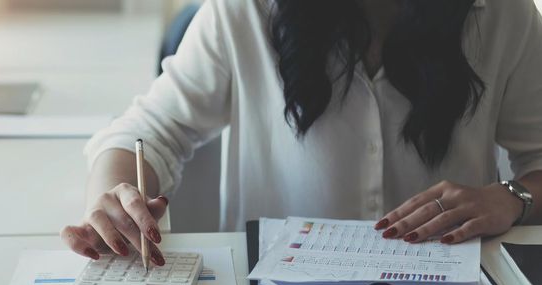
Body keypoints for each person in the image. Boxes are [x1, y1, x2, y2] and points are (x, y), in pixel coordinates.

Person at [60, 0, 542, 264]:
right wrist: (111, 198)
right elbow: (146, 131)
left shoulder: (506, 16)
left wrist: (512, 196)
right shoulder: (245, 12)